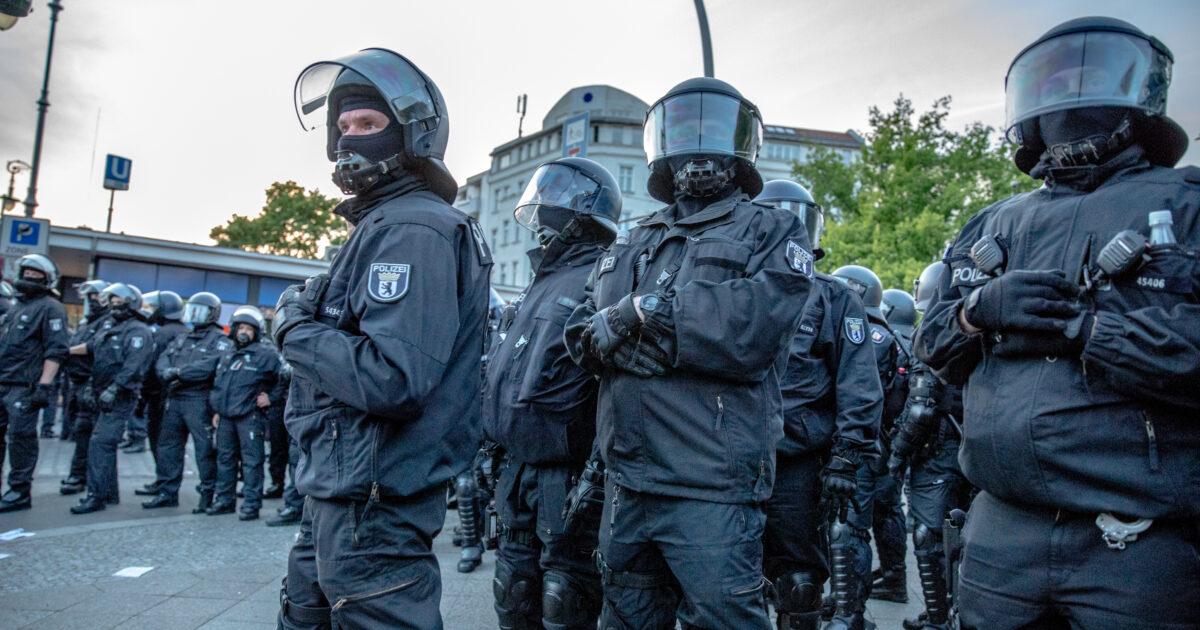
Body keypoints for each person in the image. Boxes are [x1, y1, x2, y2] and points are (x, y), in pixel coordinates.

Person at [913, 16, 1199, 628]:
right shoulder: (994, 222)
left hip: (1136, 543)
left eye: (1088, 77)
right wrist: (973, 313)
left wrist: (1092, 330)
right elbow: (930, 344)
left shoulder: (1186, 206)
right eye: (1053, 83)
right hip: (1001, 531)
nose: (1069, 98)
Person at [563, 77, 814, 629]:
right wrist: (622, 327)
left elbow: (752, 329)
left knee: (725, 619)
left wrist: (645, 315)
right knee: (625, 617)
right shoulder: (631, 239)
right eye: (685, 141)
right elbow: (582, 328)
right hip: (627, 481)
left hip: (711, 487)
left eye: (713, 141)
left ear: (739, 150)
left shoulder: (771, 230)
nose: (698, 157)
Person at [276, 48, 491, 629]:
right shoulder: (382, 224)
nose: (349, 140)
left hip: (372, 502)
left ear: (413, 136)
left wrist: (294, 331)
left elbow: (392, 378)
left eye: (368, 125)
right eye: (342, 126)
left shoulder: (412, 227)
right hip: (342, 491)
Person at [484, 156, 620, 629]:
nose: (542, 213)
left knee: (566, 597)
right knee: (512, 590)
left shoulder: (605, 279)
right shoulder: (537, 285)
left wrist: (598, 471)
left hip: (569, 473)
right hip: (517, 470)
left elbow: (617, 386)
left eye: (555, 199)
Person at [753, 180, 882, 630]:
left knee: (801, 584)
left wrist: (846, 458)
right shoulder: (726, 290)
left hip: (796, 463)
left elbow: (859, 384)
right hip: (725, 458)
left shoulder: (835, 297)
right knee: (716, 580)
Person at [888, 262, 972, 630]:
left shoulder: (937, 334)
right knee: (963, 537)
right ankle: (947, 612)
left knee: (929, 536)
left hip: (939, 453)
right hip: (970, 449)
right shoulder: (979, 330)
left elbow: (920, 409)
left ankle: (941, 617)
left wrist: (897, 453)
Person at [826, 265, 906, 629]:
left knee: (849, 528)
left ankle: (850, 614)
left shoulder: (870, 336)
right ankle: (846, 604)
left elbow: (857, 394)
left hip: (859, 447)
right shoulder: (882, 334)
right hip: (870, 445)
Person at [68, 283, 154, 514]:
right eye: (113, 304)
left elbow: (134, 366)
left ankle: (96, 496)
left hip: (120, 396)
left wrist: (115, 388)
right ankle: (108, 493)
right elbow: (92, 346)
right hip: (100, 392)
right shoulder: (109, 325)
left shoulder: (139, 331)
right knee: (102, 445)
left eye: (120, 304)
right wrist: (66, 351)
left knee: (100, 443)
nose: (115, 308)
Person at [141, 291, 231, 511]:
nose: (195, 316)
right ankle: (167, 491)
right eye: (193, 310)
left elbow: (210, 366)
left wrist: (180, 372)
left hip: (199, 400)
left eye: (200, 311)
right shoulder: (182, 337)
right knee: (168, 447)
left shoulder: (220, 340)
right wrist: (166, 373)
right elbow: (162, 360)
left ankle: (208, 494)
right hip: (175, 398)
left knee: (204, 449)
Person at [0, 254, 69, 512]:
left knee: (21, 438)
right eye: (25, 272)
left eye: (35, 274)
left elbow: (56, 350)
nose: (28, 277)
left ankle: (19, 491)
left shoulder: (51, 307)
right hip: (4, 380)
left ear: (47, 278)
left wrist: (44, 385)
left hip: (25, 386)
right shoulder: (16, 307)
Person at [208, 305, 279, 520]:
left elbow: (284, 380)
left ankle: (251, 504)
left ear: (257, 332)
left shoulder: (266, 354)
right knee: (225, 459)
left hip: (251, 416)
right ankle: (224, 500)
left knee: (252, 462)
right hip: (226, 417)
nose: (244, 332)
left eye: (249, 329)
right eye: (241, 328)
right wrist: (218, 411)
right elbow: (220, 385)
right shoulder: (228, 354)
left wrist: (271, 398)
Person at [60, 280, 112, 496]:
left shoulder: (107, 322)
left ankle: (82, 476)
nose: (93, 301)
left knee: (86, 431)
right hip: (78, 382)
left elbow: (94, 346)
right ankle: (79, 475)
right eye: (90, 298)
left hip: (93, 383)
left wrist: (67, 351)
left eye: (97, 297)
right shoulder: (87, 322)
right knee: (79, 430)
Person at [125, 290, 188, 457]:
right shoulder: (186, 331)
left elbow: (150, 366)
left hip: (159, 394)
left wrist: (143, 394)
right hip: (179, 395)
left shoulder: (162, 334)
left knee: (157, 436)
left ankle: (162, 480)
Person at [265, 361, 302, 527]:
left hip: (305, 410)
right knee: (293, 459)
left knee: (297, 460)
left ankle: (296, 506)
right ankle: (294, 504)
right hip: (295, 408)